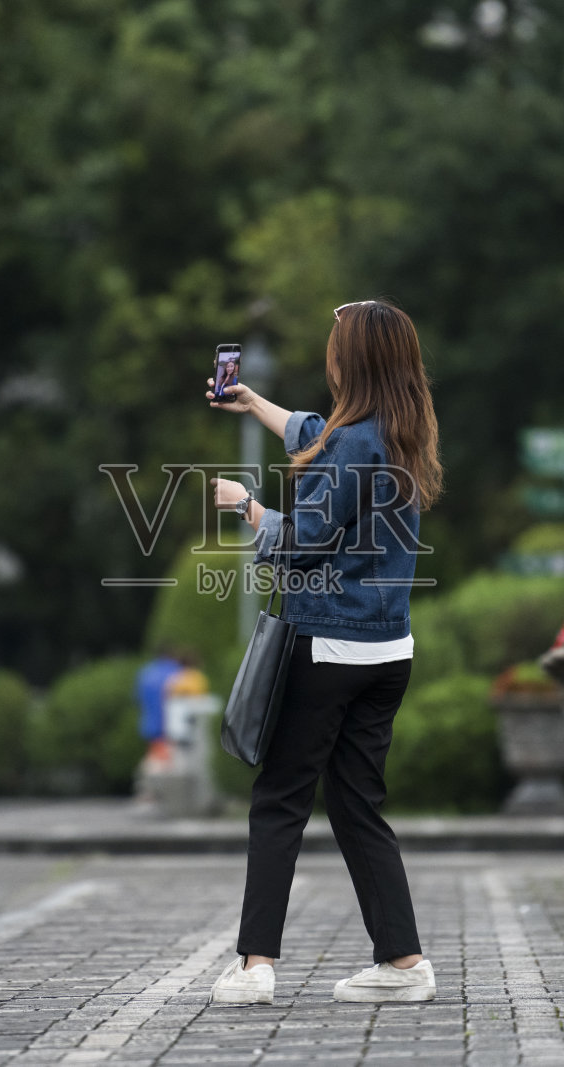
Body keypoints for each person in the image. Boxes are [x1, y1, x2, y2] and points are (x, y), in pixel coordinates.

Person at [203, 299, 444, 1006]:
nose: (329, 353)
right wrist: (253, 404)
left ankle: (254, 967)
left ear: (354, 360)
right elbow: (316, 431)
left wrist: (246, 505)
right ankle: (403, 963)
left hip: (331, 646)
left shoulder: (351, 445)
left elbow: (304, 540)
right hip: (388, 651)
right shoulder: (404, 433)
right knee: (356, 802)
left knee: (279, 798)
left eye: (337, 345)